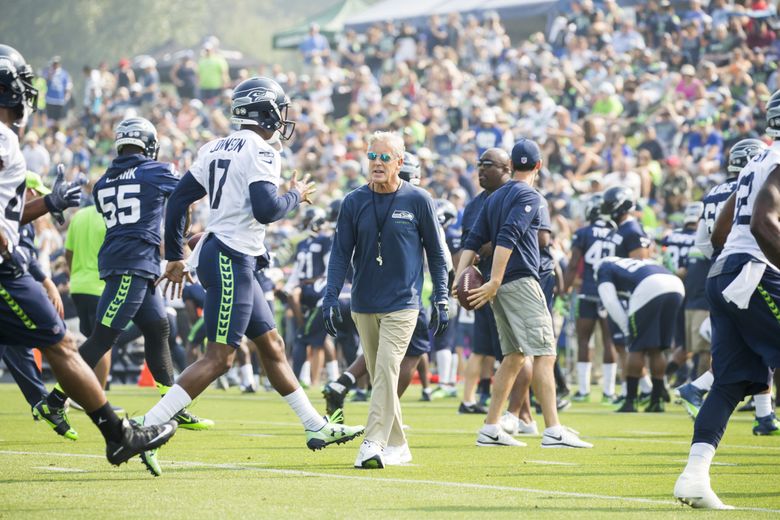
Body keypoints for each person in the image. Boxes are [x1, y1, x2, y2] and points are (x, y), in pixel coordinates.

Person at [151, 76, 364, 458]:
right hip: (231, 257)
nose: (283, 117)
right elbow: (267, 208)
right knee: (219, 358)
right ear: (266, 109)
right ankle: (145, 428)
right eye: (279, 109)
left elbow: (179, 199)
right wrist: (296, 195)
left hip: (231, 255)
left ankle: (316, 426)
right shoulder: (263, 151)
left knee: (272, 344)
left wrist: (174, 254)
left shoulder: (214, 146)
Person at [0, 43, 177, 466]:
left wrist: (48, 204)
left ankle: (119, 433)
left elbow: (10, 213)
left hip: (23, 264)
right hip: (6, 267)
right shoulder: (3, 136)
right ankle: (116, 434)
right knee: (70, 342)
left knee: (67, 341)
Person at [41, 117, 212, 476]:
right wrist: (179, 245)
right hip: (131, 265)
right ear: (149, 145)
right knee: (104, 337)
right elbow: (185, 194)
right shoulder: (156, 170)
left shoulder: (102, 181)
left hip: (133, 262)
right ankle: (55, 400)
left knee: (158, 327)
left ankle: (171, 401)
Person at [674, 90, 780, 509]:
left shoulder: (757, 160)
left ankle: (693, 477)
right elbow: (762, 221)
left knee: (729, 382)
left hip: (725, 275)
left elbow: (720, 234)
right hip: (753, 273)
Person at [323, 132, 450, 469]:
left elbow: (436, 255)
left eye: (384, 157)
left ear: (400, 162)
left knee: (386, 368)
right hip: (363, 302)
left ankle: (372, 442)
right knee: (381, 376)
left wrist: (442, 297)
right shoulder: (354, 201)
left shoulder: (419, 199)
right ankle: (398, 444)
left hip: (404, 302)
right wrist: (330, 296)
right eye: (372, 157)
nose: (377, 163)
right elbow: (339, 254)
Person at [457, 138, 591, 448]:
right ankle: (554, 429)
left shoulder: (492, 197)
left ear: (512, 165)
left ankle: (490, 426)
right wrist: (493, 280)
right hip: (517, 280)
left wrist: (463, 275)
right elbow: (509, 236)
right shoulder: (529, 194)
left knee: (514, 356)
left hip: (501, 284)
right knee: (545, 352)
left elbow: (473, 240)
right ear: (538, 166)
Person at [675, 138, 767, 418]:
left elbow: (703, 241)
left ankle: (764, 415)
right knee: (762, 339)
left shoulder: (714, 191)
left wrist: (721, 256)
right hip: (751, 268)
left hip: (720, 271)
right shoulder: (756, 184)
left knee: (747, 344)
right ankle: (762, 413)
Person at [457, 148, 511, 416]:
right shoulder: (474, 205)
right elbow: (468, 244)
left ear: (506, 168)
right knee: (487, 347)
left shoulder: (516, 195)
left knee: (505, 349)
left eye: (487, 165)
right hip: (484, 283)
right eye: (478, 165)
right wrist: (461, 277)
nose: (480, 170)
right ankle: (470, 399)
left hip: (510, 282)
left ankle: (504, 402)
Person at [594, 256, 684, 412]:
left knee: (636, 348)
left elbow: (609, 301)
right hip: (676, 285)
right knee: (657, 349)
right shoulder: (631, 263)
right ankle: (656, 401)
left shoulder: (603, 268)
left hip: (650, 286)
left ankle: (630, 401)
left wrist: (627, 329)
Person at [564, 193, 618, 403]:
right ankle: (608, 391)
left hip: (587, 290)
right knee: (608, 341)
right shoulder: (616, 232)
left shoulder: (584, 232)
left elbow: (573, 262)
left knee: (584, 340)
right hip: (610, 293)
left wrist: (564, 288)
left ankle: (584, 390)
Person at [65, 197, 107, 385]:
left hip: (78, 286)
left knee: (92, 340)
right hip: (101, 287)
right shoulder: (111, 216)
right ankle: (99, 397)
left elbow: (68, 253)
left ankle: (84, 390)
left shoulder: (78, 215)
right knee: (104, 343)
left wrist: (75, 274)